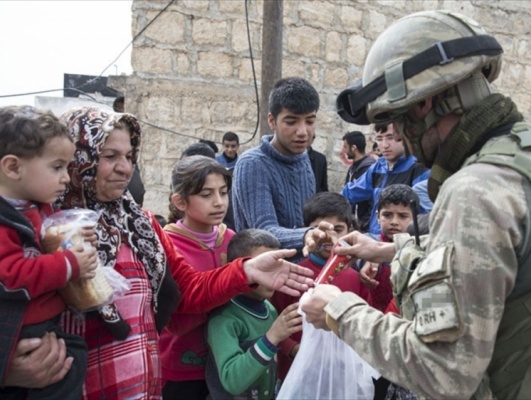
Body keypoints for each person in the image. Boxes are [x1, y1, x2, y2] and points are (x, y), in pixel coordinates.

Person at [302, 10, 531, 398]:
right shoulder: (530, 151)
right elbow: (503, 257)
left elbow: (442, 373)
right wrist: (388, 249)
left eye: (395, 122)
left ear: (424, 105)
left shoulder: (475, 189)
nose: (400, 139)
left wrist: (340, 310)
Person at [2, 106, 312, 399]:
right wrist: (8, 368)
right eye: (109, 156)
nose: (124, 168)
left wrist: (245, 271)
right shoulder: (38, 224)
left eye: (128, 156)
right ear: (78, 158)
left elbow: (187, 292)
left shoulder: (141, 225)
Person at [0, 106, 97, 399]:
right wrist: (68, 264)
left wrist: (71, 239)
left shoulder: (37, 209)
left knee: (72, 359)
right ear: (13, 167)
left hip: (44, 328)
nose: (67, 177)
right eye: (57, 167)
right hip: (17, 331)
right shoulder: (5, 222)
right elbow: (11, 275)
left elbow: (41, 252)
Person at [270, 192, 372, 382]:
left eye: (338, 229)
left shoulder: (356, 278)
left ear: (350, 231)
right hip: (298, 373)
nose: (329, 236)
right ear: (306, 231)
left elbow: (366, 323)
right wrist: (292, 349)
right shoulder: (292, 275)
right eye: (320, 230)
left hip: (343, 374)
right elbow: (273, 319)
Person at [159, 156, 235, 399]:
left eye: (223, 193)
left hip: (227, 363)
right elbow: (173, 316)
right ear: (180, 201)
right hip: (180, 364)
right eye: (206, 195)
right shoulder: (167, 245)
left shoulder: (232, 239)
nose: (219, 202)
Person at [206, 229, 303, 400]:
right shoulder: (224, 319)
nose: (273, 274)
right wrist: (273, 335)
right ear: (242, 269)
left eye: (277, 265)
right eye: (264, 267)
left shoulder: (268, 308)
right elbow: (233, 381)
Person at [232, 77, 319, 252]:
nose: (302, 132)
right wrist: (306, 235)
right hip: (262, 274)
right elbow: (265, 232)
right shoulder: (252, 164)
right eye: (291, 122)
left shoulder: (303, 157)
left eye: (310, 121)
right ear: (272, 121)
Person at [342, 122, 429, 235]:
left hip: (403, 242)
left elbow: (425, 217)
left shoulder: (420, 170)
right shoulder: (377, 168)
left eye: (390, 138)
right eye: (379, 139)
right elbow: (350, 193)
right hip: (374, 237)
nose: (384, 145)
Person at [359, 184, 419, 313]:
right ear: (377, 217)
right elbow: (351, 253)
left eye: (403, 216)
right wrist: (367, 259)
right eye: (387, 215)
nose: (394, 222)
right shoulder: (367, 240)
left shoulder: (419, 248)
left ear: (415, 218)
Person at [342, 130, 376, 231]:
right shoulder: (353, 168)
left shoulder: (368, 169)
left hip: (363, 226)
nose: (344, 150)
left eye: (345, 147)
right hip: (353, 224)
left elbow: (371, 200)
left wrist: (364, 224)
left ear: (354, 148)